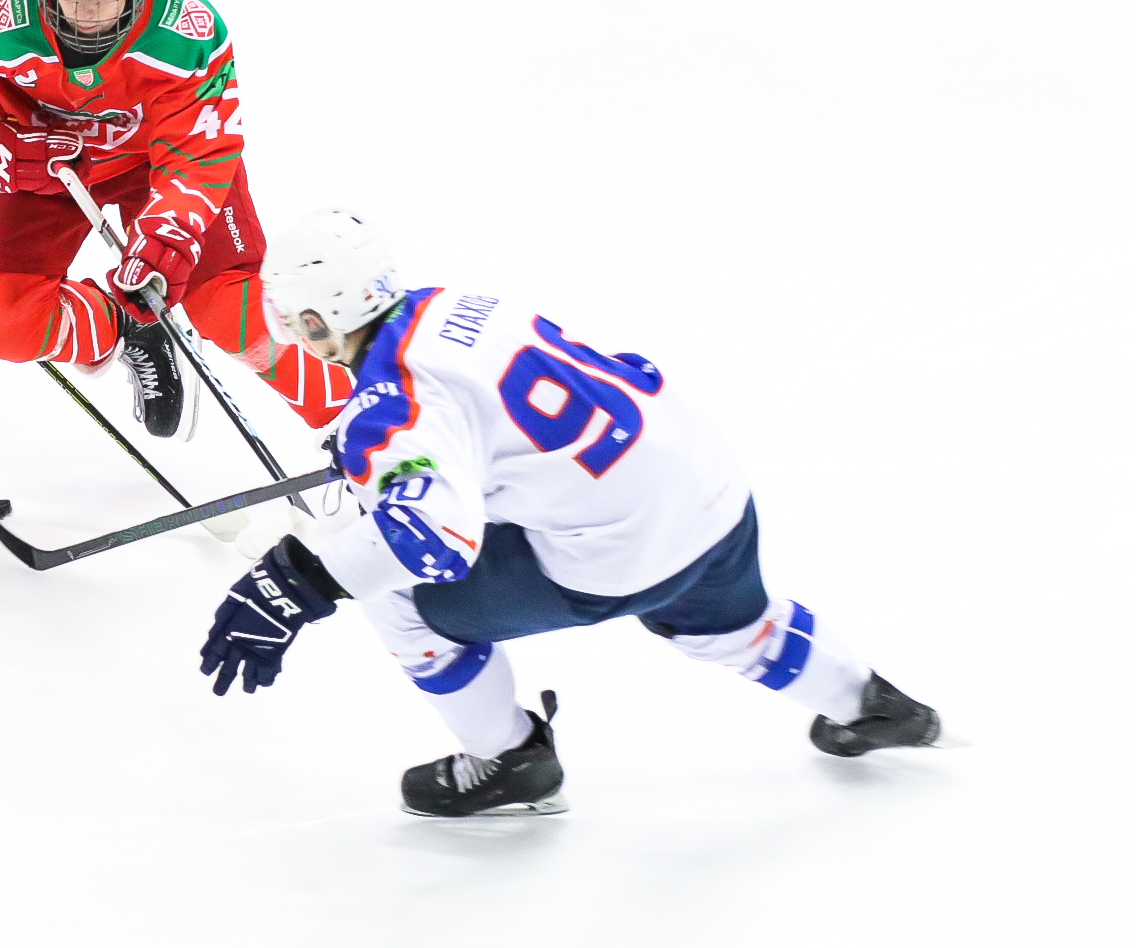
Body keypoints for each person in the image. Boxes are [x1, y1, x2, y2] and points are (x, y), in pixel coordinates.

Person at [199, 211, 943, 817]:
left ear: (319, 317)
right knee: (727, 621)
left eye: (293, 318)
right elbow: (490, 420)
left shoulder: (394, 402)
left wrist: (297, 585)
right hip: (702, 478)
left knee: (399, 600)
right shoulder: (453, 304)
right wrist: (393, 459)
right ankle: (869, 704)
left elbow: (433, 541)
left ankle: (508, 759)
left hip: (628, 543)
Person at [0, 0, 354, 441]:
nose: (83, 11)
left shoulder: (187, 30)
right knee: (4, 321)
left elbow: (201, 148)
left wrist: (169, 233)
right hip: (40, 159)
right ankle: (121, 326)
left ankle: (361, 425)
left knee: (230, 309)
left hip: (155, 160)